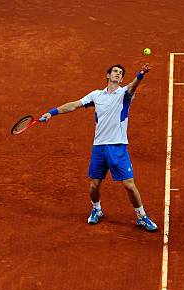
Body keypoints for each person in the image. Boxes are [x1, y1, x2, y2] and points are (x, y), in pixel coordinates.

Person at [41, 63, 158, 232]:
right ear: (108, 75)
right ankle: (97, 209)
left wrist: (141, 74)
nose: (118, 74)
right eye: (115, 72)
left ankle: (141, 216)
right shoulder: (96, 95)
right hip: (99, 147)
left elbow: (133, 86)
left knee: (129, 185)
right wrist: (51, 113)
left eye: (121, 73)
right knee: (94, 185)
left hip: (118, 146)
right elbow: (74, 105)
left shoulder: (124, 94)